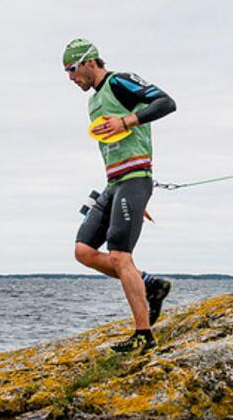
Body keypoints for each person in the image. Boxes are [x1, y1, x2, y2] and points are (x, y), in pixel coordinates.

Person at [63, 38, 176, 354]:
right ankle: (150, 284)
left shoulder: (121, 81)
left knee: (119, 256)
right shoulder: (93, 102)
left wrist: (127, 120)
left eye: (73, 69)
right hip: (115, 183)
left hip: (135, 179)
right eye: (66, 73)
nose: (71, 78)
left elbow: (167, 103)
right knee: (83, 250)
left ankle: (143, 335)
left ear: (90, 62)